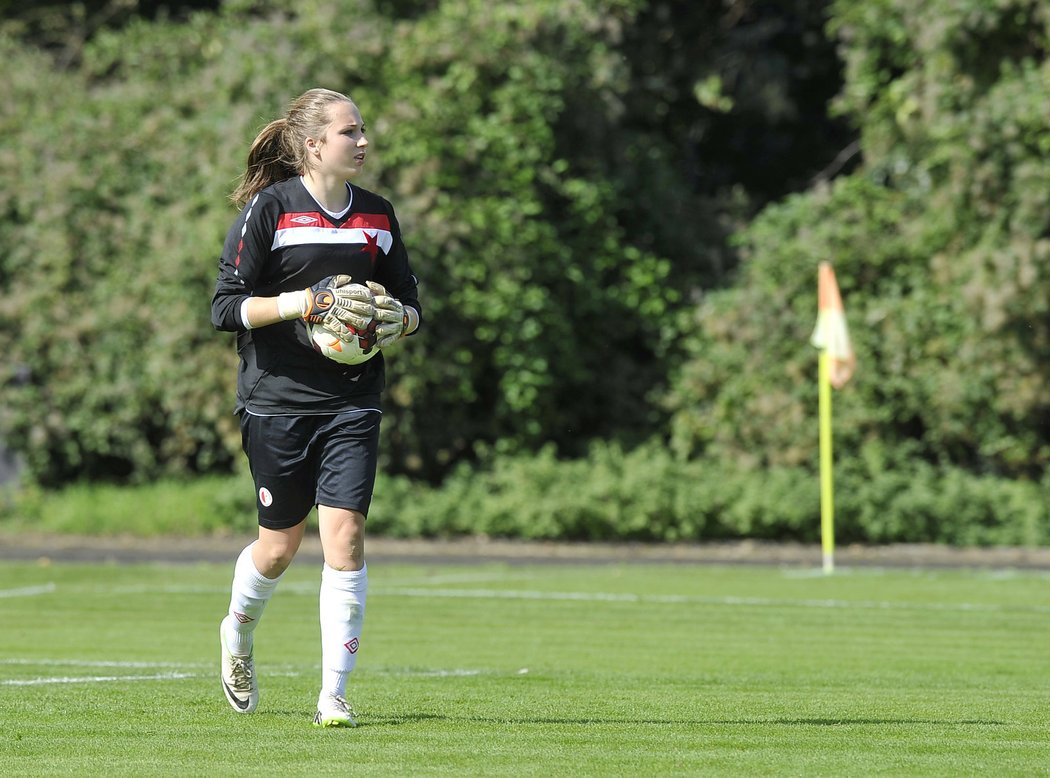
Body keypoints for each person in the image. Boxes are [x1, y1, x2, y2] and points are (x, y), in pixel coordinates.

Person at [210, 87, 421, 727]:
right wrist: (304, 303)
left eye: (362, 131)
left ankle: (334, 695)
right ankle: (238, 636)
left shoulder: (379, 216)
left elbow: (412, 305)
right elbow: (226, 308)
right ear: (313, 145)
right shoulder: (267, 211)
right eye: (349, 132)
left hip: (353, 400)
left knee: (346, 537)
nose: (362, 142)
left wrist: (396, 319)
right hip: (276, 399)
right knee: (278, 548)